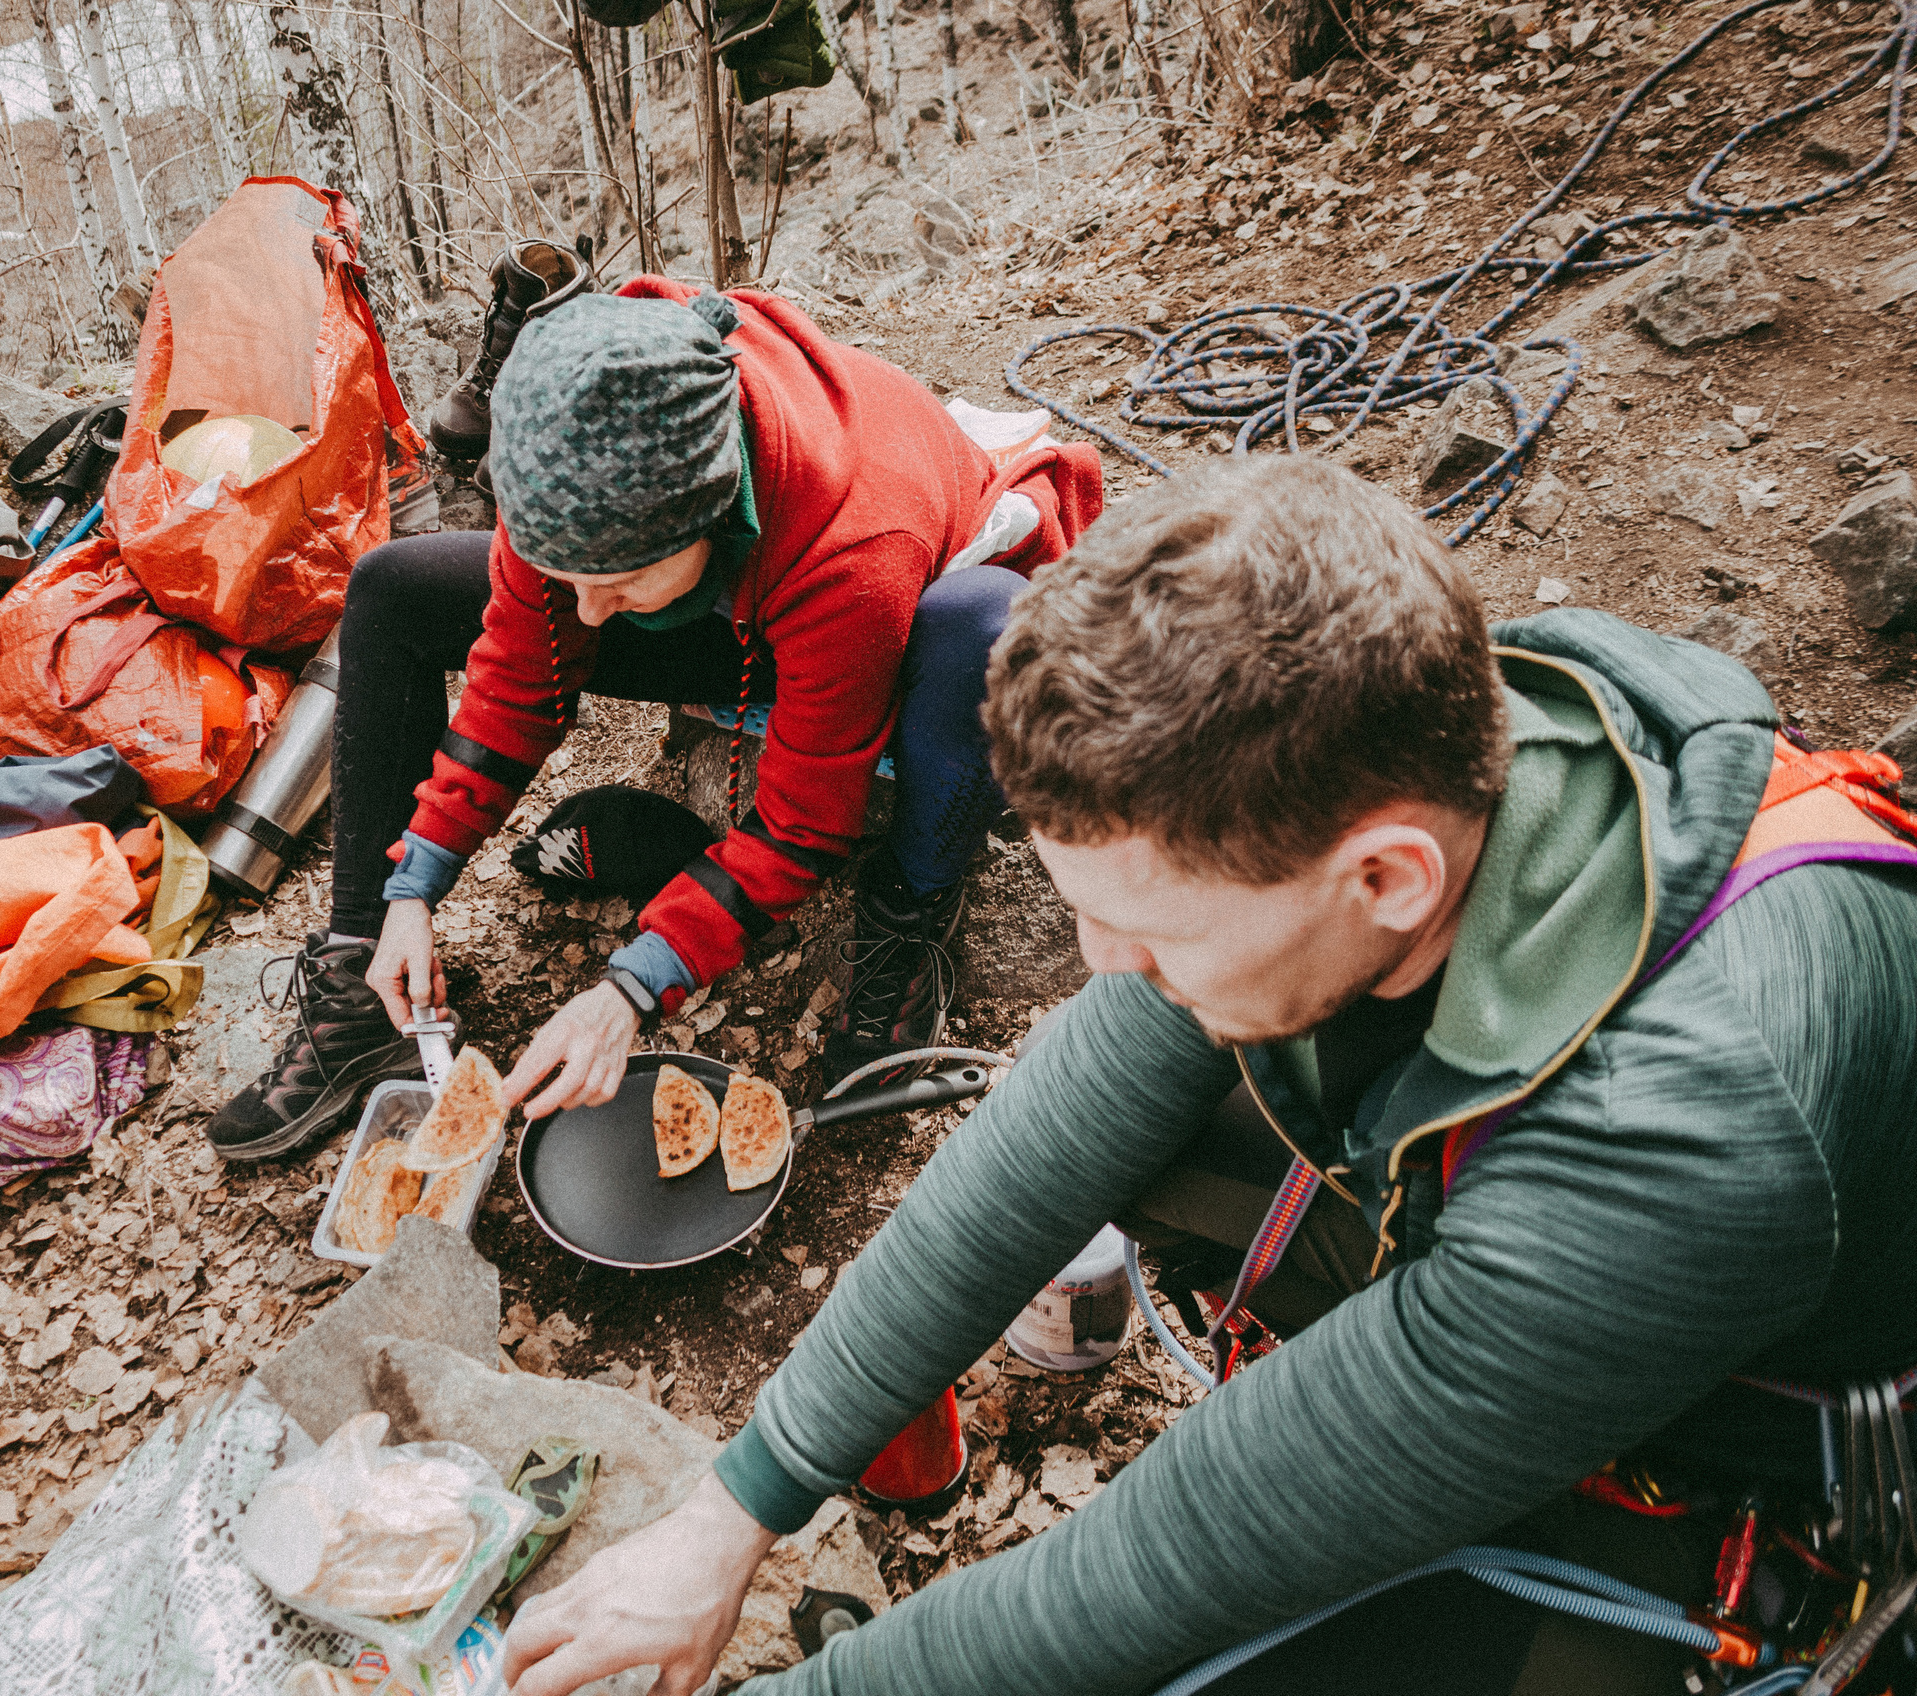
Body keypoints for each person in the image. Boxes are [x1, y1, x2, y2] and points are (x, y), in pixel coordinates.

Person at [494, 454, 1917, 1695]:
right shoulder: (1366, 754)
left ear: (1388, 877)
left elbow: (1174, 1556)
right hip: (1534, 1214)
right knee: (1132, 1097)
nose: (1103, 962)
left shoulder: (1688, 1138)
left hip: (1753, 1438)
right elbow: (1049, 1126)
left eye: (1152, 925)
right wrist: (732, 1508)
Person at [208, 282, 1104, 1159]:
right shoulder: (567, 452)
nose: (588, 615)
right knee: (392, 589)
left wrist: (632, 988)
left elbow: (801, 823)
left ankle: (910, 915)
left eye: (618, 581)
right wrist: (411, 888)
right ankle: (363, 981)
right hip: (725, 612)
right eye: (568, 579)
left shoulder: (854, 545)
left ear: (711, 515)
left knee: (980, 630)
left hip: (898, 633)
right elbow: (521, 677)